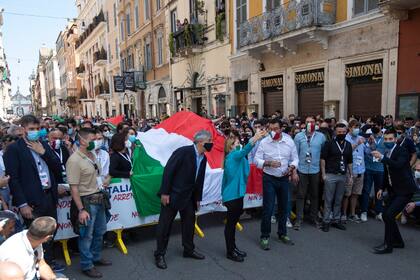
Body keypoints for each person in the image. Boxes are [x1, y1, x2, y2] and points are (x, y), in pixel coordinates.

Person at [3, 115, 64, 272]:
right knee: (36, 236)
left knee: (50, 232)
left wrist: (44, 152)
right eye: (31, 129)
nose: (35, 132)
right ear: (23, 130)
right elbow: (14, 179)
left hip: (49, 196)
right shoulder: (14, 149)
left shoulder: (44, 145)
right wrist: (23, 204)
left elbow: (58, 167)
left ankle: (48, 262)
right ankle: (36, 266)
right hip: (31, 201)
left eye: (38, 129)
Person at [154, 130, 213, 269]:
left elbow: (200, 179)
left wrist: (198, 198)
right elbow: (169, 171)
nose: (211, 143)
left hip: (189, 197)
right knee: (165, 225)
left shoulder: (203, 157)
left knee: (189, 224)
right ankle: (159, 254)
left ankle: (188, 249)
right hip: (173, 195)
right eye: (209, 141)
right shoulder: (183, 152)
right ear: (200, 142)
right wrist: (165, 193)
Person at [66, 128, 111, 278]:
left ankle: (96, 257)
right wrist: (81, 209)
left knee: (100, 231)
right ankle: (87, 265)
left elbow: (98, 175)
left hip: (99, 199)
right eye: (93, 139)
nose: (97, 142)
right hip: (87, 203)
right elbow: (74, 188)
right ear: (83, 140)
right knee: (87, 236)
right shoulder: (74, 160)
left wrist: (105, 180)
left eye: (98, 138)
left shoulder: (92, 155)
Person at [255, 118, 299, 250]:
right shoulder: (264, 142)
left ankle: (282, 233)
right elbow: (257, 160)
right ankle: (264, 236)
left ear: (281, 129)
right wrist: (268, 163)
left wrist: (292, 168)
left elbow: (295, 158)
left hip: (284, 178)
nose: (273, 132)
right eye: (271, 129)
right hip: (269, 178)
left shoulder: (289, 141)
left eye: (276, 129)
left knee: (284, 207)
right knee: (268, 208)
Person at [371, 129, 417, 254]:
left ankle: (388, 245)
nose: (388, 141)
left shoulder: (402, 151)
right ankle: (398, 241)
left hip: (405, 190)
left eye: (390, 139)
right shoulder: (387, 152)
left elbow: (398, 165)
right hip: (394, 190)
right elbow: (387, 173)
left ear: (396, 139)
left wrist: (381, 158)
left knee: (389, 215)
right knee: (387, 215)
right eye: (386, 139)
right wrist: (381, 188)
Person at [222, 130, 265, 262]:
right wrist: (255, 138)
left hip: (236, 195)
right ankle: (230, 251)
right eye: (237, 143)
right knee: (230, 225)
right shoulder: (234, 156)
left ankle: (233, 248)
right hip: (232, 196)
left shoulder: (234, 157)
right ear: (231, 146)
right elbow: (245, 150)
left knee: (233, 223)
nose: (239, 144)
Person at [293, 116, 326, 230]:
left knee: (315, 195)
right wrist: (294, 171)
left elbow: (323, 155)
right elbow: (294, 154)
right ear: (304, 124)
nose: (310, 124)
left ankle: (314, 217)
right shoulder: (298, 136)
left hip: (315, 170)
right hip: (302, 169)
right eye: (307, 122)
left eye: (312, 122)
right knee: (301, 195)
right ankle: (299, 219)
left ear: (315, 124)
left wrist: (323, 172)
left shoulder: (321, 137)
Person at [320, 123, 353, 232]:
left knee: (339, 199)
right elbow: (323, 159)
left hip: (342, 175)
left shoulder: (348, 145)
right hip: (330, 175)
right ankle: (326, 221)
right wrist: (324, 174)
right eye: (339, 132)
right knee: (328, 199)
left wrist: (351, 175)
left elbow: (349, 161)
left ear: (346, 132)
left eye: (343, 132)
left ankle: (336, 220)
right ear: (335, 132)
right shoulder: (329, 143)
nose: (341, 134)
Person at [360, 120, 385, 222]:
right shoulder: (367, 137)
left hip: (380, 168)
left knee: (379, 191)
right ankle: (364, 211)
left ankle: (378, 212)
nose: (374, 126)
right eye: (373, 125)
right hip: (368, 168)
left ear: (381, 126)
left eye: (376, 125)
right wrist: (369, 143)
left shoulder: (385, 139)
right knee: (366, 190)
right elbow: (365, 151)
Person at [342, 120, 365, 222]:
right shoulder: (345, 138)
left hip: (360, 170)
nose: (357, 129)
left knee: (356, 193)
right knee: (347, 194)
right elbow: (346, 151)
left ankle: (352, 213)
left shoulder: (361, 138)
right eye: (355, 127)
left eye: (358, 127)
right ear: (350, 128)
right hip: (350, 171)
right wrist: (356, 144)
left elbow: (368, 151)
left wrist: (371, 143)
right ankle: (343, 214)